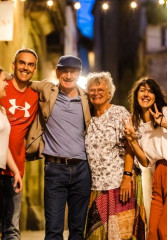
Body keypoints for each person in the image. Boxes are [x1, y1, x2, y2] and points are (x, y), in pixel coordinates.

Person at [26, 55, 92, 240]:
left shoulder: (87, 98)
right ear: (57, 72)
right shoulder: (47, 89)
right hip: (55, 169)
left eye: (73, 72)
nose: (68, 75)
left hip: (82, 169)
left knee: (78, 230)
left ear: (79, 74)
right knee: (54, 229)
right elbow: (23, 82)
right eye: (64, 71)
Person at [84, 72, 135, 240]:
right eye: (92, 89)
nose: (96, 93)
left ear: (109, 93)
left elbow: (130, 148)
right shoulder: (87, 118)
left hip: (118, 186)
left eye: (100, 89)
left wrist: (126, 178)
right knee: (95, 235)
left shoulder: (119, 113)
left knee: (118, 235)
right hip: (96, 188)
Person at [0, 49, 38, 240]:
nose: (25, 67)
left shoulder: (36, 96)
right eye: (21, 63)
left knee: (12, 229)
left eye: (30, 64)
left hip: (15, 171)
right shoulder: (2, 87)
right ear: (13, 65)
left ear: (35, 69)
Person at [123, 76, 167, 240]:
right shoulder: (136, 125)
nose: (146, 94)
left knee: (164, 230)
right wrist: (132, 141)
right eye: (142, 90)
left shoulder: (165, 112)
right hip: (158, 174)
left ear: (156, 96)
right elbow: (145, 162)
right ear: (136, 96)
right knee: (153, 233)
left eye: (150, 91)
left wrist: (164, 123)